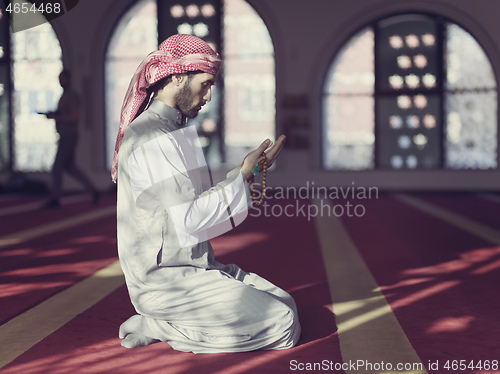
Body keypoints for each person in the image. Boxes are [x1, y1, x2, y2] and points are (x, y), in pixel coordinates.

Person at [113, 34, 300, 353]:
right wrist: (242, 174)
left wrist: (251, 171)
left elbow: (196, 201)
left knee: (286, 302)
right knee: (282, 324)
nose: (209, 96)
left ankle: (166, 323)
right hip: (167, 283)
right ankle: (160, 323)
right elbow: (193, 219)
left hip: (194, 269)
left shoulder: (172, 130)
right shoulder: (153, 136)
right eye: (205, 84)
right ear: (176, 78)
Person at [42, 70, 99, 209]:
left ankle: (56, 198)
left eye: (62, 79)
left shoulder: (72, 96)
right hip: (65, 135)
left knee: (57, 167)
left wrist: (56, 117)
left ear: (68, 79)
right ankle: (94, 190)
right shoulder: (65, 95)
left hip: (69, 135)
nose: (61, 82)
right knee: (70, 167)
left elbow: (74, 117)